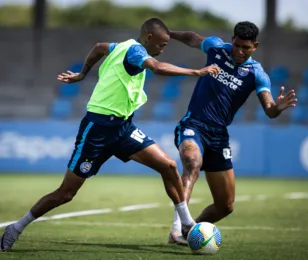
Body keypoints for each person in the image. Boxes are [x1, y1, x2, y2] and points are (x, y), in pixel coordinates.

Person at [0, 18, 221, 251]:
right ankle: (16, 228)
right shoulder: (136, 51)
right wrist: (197, 71)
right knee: (65, 194)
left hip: (123, 129)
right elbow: (157, 68)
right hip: (97, 130)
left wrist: (83, 73)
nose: (163, 48)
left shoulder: (122, 46)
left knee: (168, 166)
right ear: (149, 38)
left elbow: (99, 47)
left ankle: (186, 224)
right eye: (162, 44)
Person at [167, 21, 298, 245]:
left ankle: (191, 233)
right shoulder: (216, 48)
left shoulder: (257, 74)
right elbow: (192, 37)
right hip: (194, 124)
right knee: (191, 161)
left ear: (254, 46)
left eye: (245, 48)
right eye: (237, 45)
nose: (239, 51)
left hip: (219, 136)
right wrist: (169, 33)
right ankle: (178, 228)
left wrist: (277, 108)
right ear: (232, 40)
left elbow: (269, 110)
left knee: (225, 206)